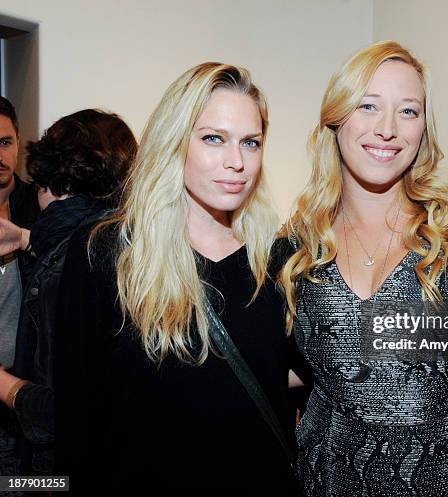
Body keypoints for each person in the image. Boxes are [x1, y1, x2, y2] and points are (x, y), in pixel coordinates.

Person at [279, 41, 448, 497]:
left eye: (408, 111)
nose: (388, 130)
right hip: (325, 478)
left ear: (424, 126)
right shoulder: (297, 246)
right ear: (336, 118)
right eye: (368, 106)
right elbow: (303, 366)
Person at [53, 63, 305, 495]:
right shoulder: (106, 253)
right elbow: (77, 415)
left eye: (251, 142)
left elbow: (308, 372)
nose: (237, 162)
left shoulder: (278, 260)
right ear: (174, 142)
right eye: (213, 138)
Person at [0, 109, 137, 478]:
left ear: (50, 184)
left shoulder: (66, 268)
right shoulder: (133, 245)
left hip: (61, 470)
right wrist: (29, 238)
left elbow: (59, 414)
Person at [0, 96, 39, 484]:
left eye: (5, 142)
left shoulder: (39, 205)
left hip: (24, 386)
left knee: (24, 484)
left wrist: (27, 238)